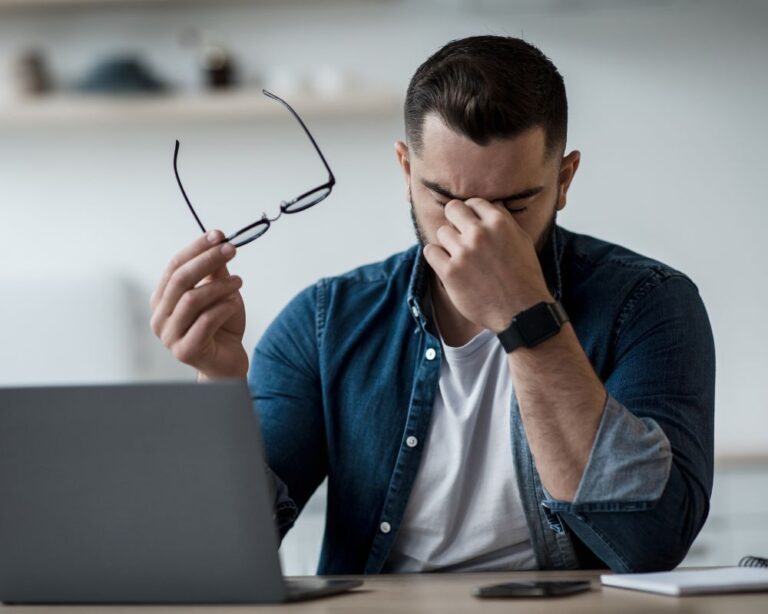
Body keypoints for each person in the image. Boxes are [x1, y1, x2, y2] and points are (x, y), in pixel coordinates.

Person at [150, 35, 715, 574]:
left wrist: (525, 315)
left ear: (564, 179)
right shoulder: (325, 323)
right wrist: (218, 383)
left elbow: (650, 542)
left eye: (513, 206)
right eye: (444, 197)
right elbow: (217, 550)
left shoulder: (648, 305)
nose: (475, 230)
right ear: (406, 171)